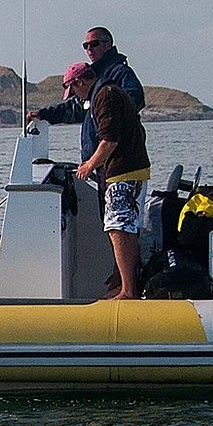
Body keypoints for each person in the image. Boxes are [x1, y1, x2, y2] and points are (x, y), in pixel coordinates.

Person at [68, 63, 152, 299]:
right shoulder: (110, 92)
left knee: (118, 228)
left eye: (73, 90)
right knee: (128, 228)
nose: (75, 95)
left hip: (122, 172)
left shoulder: (104, 96)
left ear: (80, 82)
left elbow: (109, 140)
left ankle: (127, 290)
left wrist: (88, 166)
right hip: (134, 170)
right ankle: (126, 285)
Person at [26, 27, 145, 163]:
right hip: (101, 160)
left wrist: (110, 116)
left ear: (108, 45)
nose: (89, 49)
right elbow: (76, 108)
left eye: (94, 44)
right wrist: (43, 114)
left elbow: (136, 98)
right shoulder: (93, 78)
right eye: (85, 46)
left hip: (119, 158)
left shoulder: (120, 72)